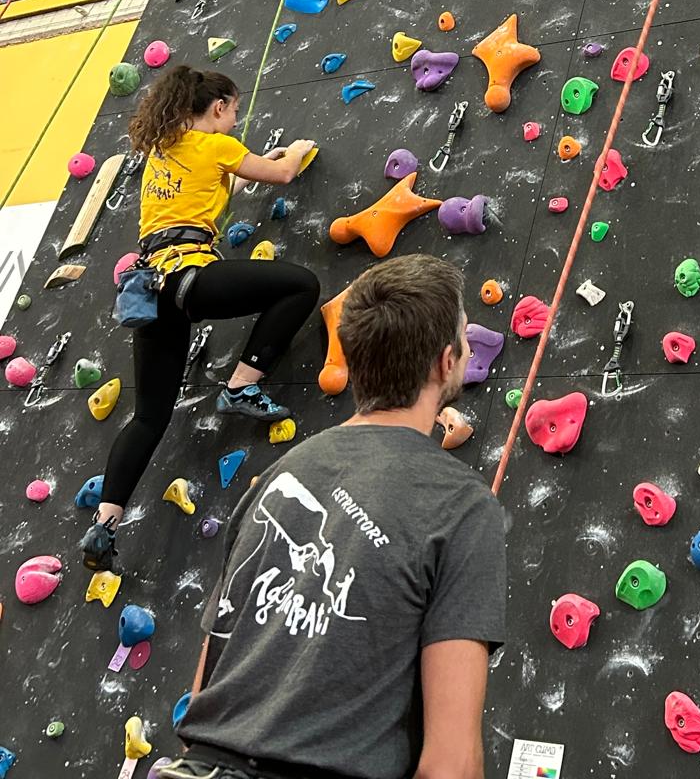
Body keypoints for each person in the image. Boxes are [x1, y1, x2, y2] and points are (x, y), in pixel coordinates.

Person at [160, 254, 506, 779]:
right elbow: (451, 766)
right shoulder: (460, 506)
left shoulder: (279, 476)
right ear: (445, 361)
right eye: (462, 338)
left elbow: (208, 688)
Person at [80, 65, 320, 572]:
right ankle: (241, 386)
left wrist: (255, 162)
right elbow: (281, 174)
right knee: (301, 285)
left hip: (150, 292)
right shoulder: (215, 145)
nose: (235, 120)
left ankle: (103, 526)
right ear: (218, 107)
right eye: (234, 111)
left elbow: (217, 184)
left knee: (148, 417)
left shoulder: (160, 153)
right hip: (189, 276)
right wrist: (296, 151)